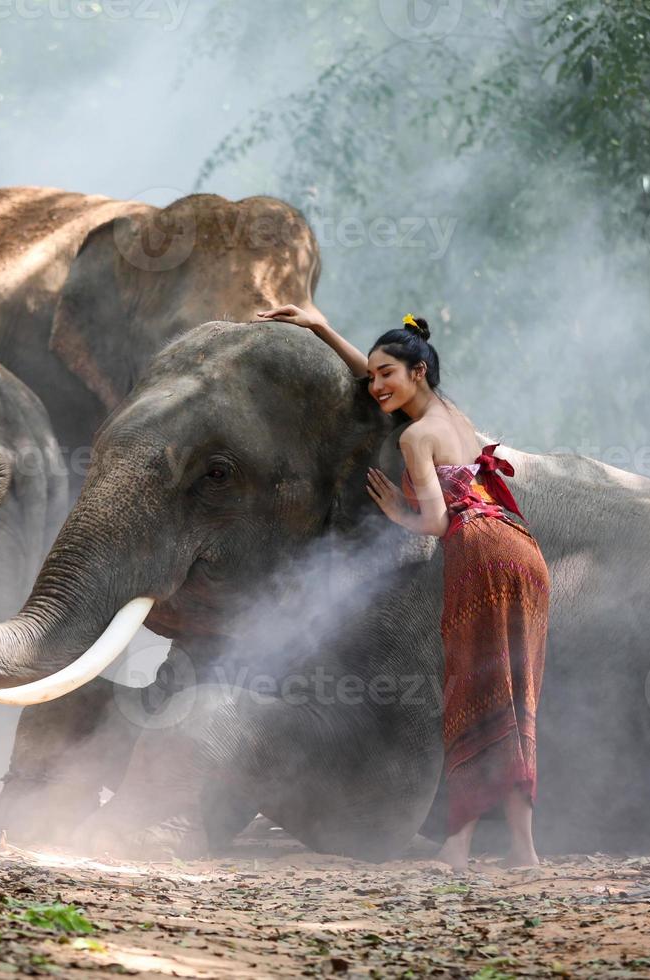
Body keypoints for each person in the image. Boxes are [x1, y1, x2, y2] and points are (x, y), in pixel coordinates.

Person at [254, 305, 551, 869]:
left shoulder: (417, 438)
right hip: (523, 552)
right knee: (513, 698)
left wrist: (396, 509)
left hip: (482, 555)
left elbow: (439, 523)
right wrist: (320, 327)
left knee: (468, 691)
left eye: (386, 373)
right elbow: (380, 384)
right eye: (370, 375)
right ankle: (522, 850)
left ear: (417, 371)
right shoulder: (451, 416)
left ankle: (458, 848)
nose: (374, 385)